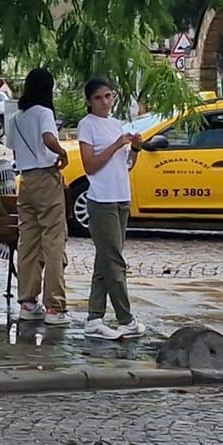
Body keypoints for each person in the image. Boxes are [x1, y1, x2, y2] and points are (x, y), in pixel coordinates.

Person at [73, 77, 147, 339]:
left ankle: (94, 317)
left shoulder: (117, 124)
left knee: (104, 259)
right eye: (98, 98)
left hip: (121, 197)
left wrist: (134, 148)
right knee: (114, 261)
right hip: (101, 199)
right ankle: (125, 318)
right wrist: (117, 144)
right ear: (89, 102)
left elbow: (126, 164)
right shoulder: (87, 125)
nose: (104, 102)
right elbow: (90, 165)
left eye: (108, 96)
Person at [5, 68, 72, 323]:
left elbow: (11, 146)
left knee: (28, 241)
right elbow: (47, 138)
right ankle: (55, 305)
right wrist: (62, 152)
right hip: (46, 177)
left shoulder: (17, 117)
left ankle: (28, 302)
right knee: (53, 241)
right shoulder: (44, 113)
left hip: (26, 180)